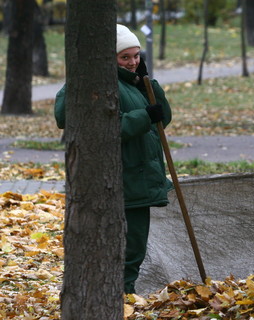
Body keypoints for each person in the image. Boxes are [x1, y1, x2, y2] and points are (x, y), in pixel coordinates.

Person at [54, 24, 173, 294]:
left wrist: (148, 83)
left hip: (139, 176)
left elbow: (162, 119)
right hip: (122, 177)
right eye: (125, 57)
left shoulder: (133, 83)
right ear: (110, 58)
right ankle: (120, 296)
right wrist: (145, 116)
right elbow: (99, 128)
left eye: (136, 56)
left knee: (136, 245)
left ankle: (124, 296)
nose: (133, 62)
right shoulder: (99, 82)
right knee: (127, 247)